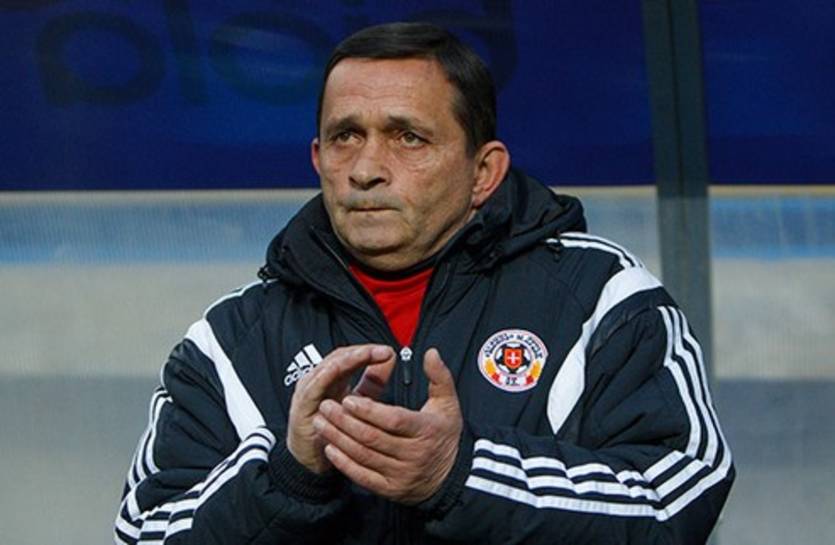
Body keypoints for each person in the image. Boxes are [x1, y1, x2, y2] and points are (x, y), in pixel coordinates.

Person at [114, 21, 733, 545]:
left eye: (407, 137)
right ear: (317, 159)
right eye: (346, 136)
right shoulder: (229, 342)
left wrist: (461, 474)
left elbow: (675, 501)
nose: (365, 170)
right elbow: (144, 532)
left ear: (483, 171)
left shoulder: (601, 298)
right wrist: (287, 477)